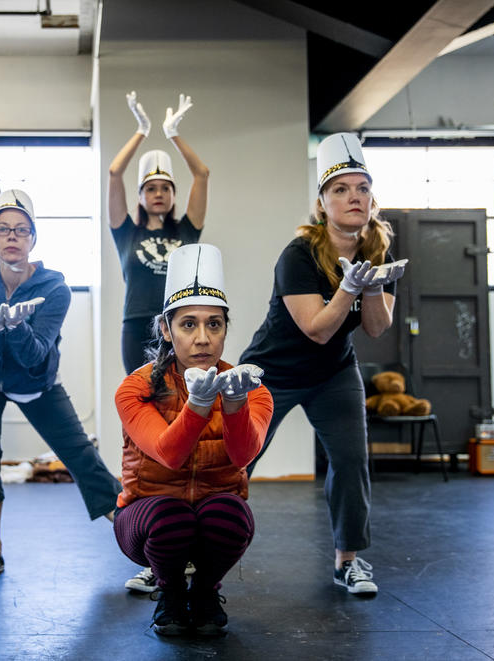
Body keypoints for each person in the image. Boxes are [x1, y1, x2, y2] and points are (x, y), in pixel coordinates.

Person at [239, 132, 407, 597]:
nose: (354, 197)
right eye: (341, 189)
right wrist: (349, 287)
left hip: (333, 372)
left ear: (372, 199)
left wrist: (371, 286)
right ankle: (193, 552)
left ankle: (348, 561)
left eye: (362, 189)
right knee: (236, 461)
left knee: (352, 460)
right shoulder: (299, 255)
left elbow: (375, 328)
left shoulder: (378, 251)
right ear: (322, 203)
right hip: (273, 372)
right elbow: (315, 327)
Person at [0, 189, 121, 581]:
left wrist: (13, 327)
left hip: (37, 381)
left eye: (21, 230)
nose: (12, 237)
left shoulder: (55, 289)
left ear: (33, 238)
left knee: (81, 455)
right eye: (2, 230)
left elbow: (33, 358)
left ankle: (151, 543)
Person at [113, 243, 274, 636]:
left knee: (231, 516)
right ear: (166, 330)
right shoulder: (135, 389)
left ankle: (204, 592)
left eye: (214, 324)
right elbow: (169, 455)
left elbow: (242, 456)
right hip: (147, 519)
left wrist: (234, 404)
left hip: (213, 509)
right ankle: (169, 592)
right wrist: (200, 404)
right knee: (173, 517)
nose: (202, 338)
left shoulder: (250, 387)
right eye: (188, 324)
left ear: (224, 329)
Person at [108, 90, 210, 376]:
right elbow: (115, 173)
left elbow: (202, 174)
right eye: (151, 188)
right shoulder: (125, 231)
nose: (158, 193)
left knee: (177, 400)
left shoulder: (188, 230)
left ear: (173, 195)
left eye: (166, 188)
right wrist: (141, 131)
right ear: (140, 195)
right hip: (136, 326)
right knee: (139, 404)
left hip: (178, 323)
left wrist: (172, 133)